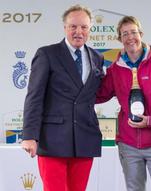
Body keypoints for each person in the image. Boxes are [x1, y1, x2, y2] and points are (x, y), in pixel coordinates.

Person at [21, 4, 104, 191]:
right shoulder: (47, 54)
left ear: (90, 29)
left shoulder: (97, 57)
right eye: (73, 26)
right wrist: (29, 135)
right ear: (65, 27)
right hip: (53, 139)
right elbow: (34, 96)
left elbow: (93, 93)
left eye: (83, 27)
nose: (78, 31)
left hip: (85, 138)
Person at [96, 16, 151, 191]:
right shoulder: (115, 69)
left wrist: (150, 120)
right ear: (120, 39)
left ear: (141, 34)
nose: (130, 37)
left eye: (133, 32)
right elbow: (99, 95)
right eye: (125, 34)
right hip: (129, 143)